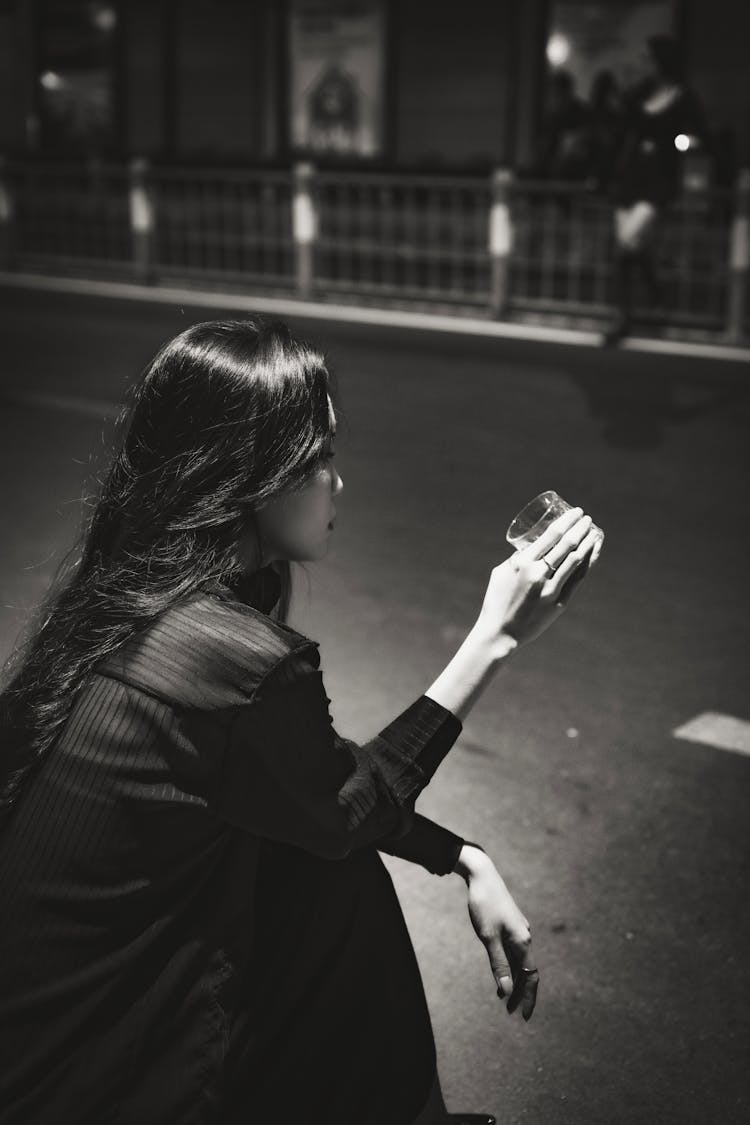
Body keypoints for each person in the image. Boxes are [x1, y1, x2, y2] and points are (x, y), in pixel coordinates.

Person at [0, 318, 601, 1125]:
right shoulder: (230, 653)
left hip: (35, 1037)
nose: (337, 482)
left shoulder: (125, 594)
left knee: (309, 863)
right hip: (81, 1073)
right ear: (246, 474)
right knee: (334, 883)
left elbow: (304, 779)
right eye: (317, 457)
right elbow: (338, 812)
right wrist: (494, 636)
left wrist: (457, 851)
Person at [603, 35, 708, 345]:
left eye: (647, 58)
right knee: (631, 247)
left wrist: (683, 142)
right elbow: (621, 129)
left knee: (627, 241)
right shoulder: (641, 93)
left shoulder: (685, 97)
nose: (643, 63)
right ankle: (656, 295)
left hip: (659, 180)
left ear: (661, 61)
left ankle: (623, 318)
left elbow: (700, 136)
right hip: (631, 177)